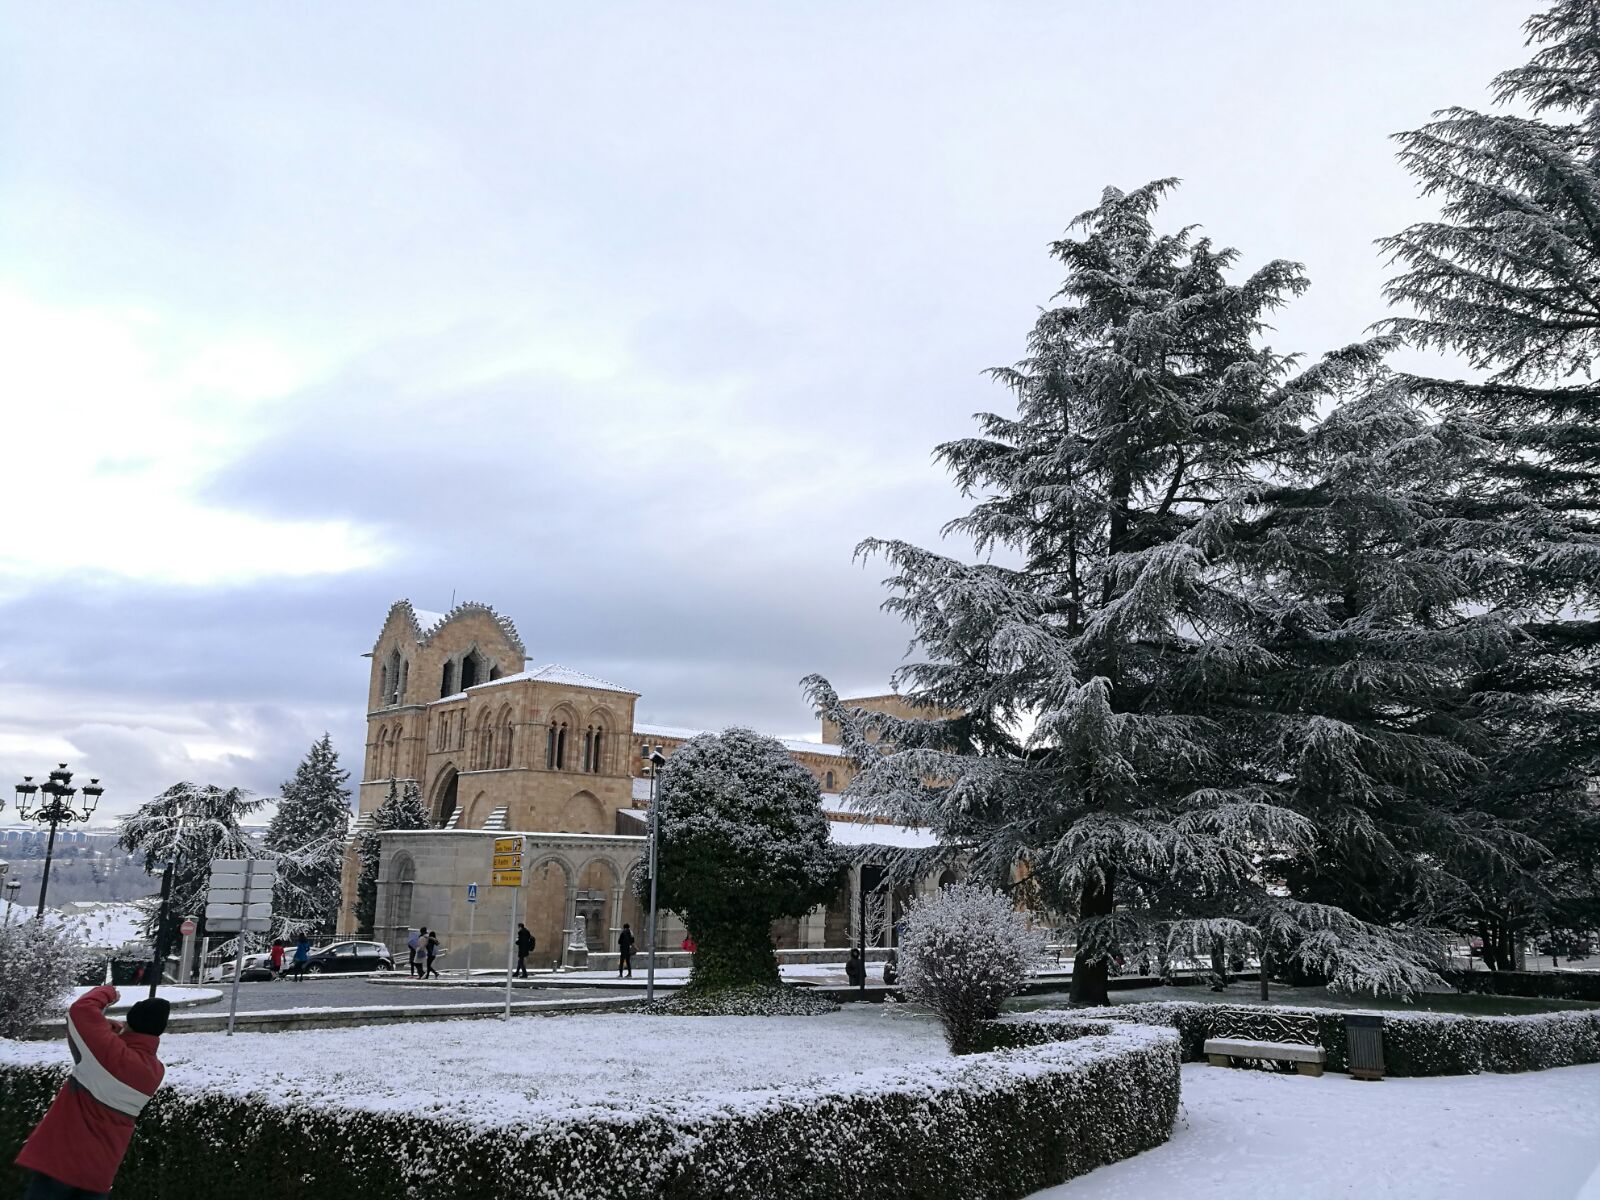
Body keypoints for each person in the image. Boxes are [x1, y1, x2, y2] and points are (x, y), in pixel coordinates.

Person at [14, 985, 168, 1199]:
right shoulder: (154, 1071)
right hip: (100, 1171)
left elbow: (81, 1010)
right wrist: (113, 1031)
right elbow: (107, 1044)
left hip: (62, 1162)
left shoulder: (109, 1053)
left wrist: (109, 992)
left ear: (130, 1021)